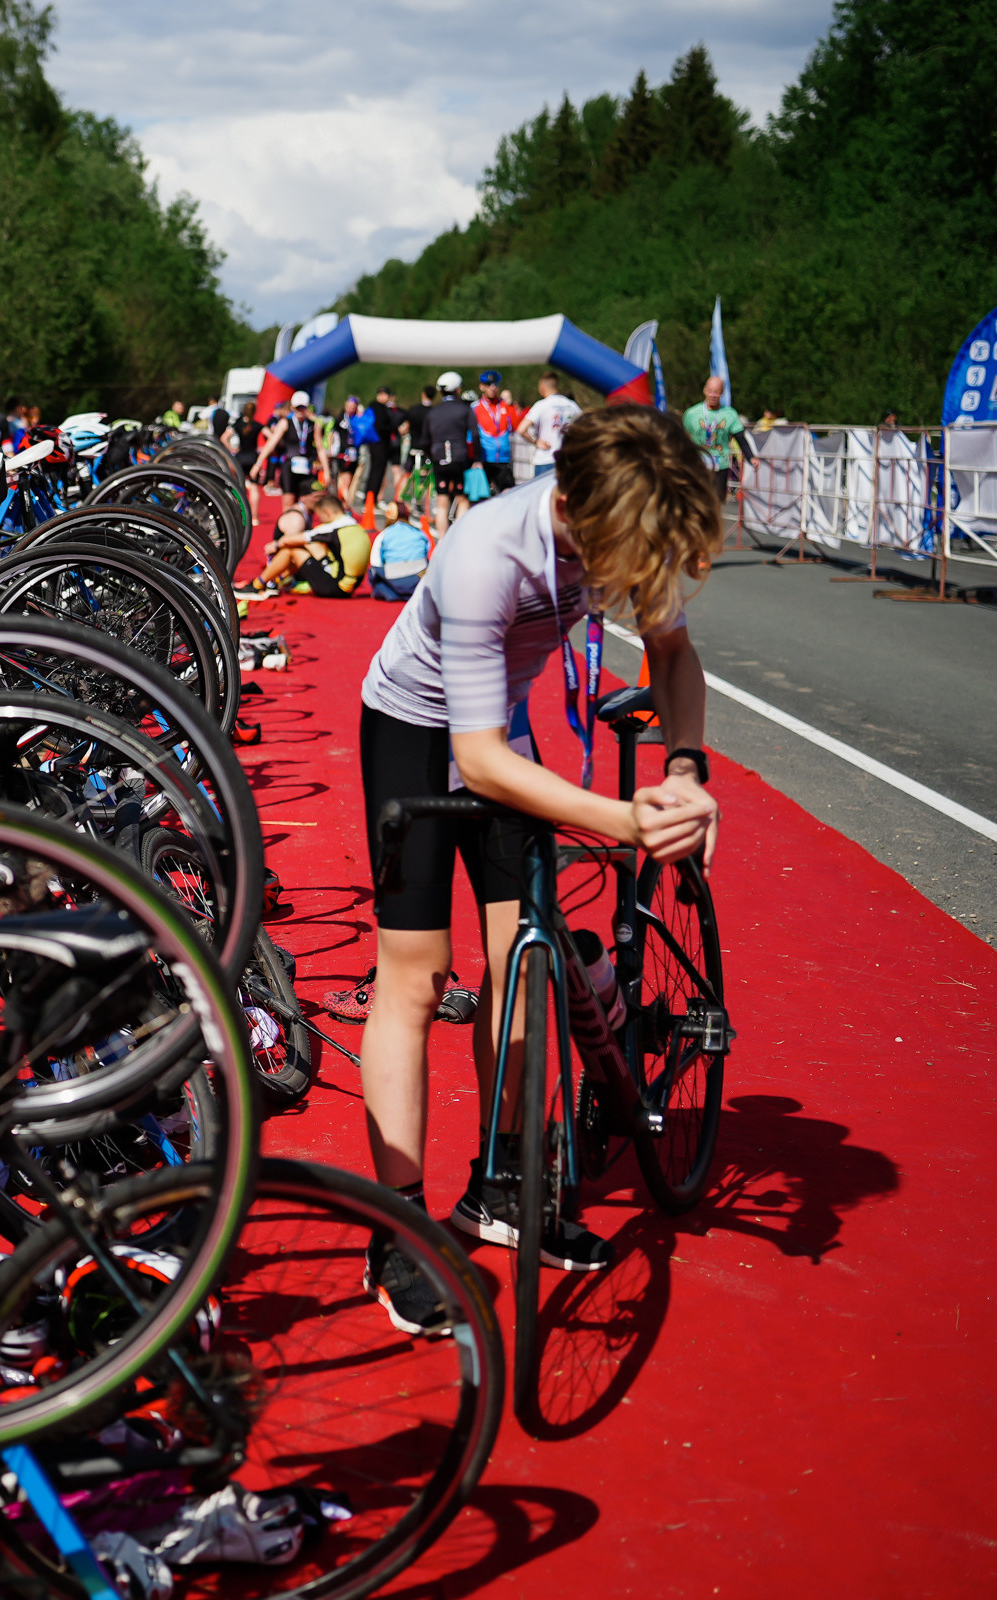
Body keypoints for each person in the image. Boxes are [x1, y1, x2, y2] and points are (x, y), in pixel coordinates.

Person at [353, 406, 721, 1332]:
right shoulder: (488, 553)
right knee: (418, 979)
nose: (636, 578)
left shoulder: (617, 523)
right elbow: (475, 763)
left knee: (527, 969)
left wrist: (683, 770)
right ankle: (395, 1230)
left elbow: (675, 655)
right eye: (631, 554)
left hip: (495, 729)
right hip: (414, 727)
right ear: (577, 508)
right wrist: (631, 823)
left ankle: (503, 1189)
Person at [241, 492, 372, 597]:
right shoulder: (355, 525)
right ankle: (275, 581)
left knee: (291, 550)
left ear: (327, 512)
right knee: (309, 546)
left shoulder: (333, 527)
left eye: (321, 516)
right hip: (350, 586)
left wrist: (276, 544)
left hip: (336, 587)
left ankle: (257, 585)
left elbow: (293, 539)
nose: (320, 520)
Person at [418, 372, 476, 537]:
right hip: (460, 458)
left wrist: (431, 456)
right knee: (462, 499)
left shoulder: (433, 412)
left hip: (439, 459)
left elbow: (425, 441)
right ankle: (458, 538)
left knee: (442, 503)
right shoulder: (465, 410)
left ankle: (442, 541)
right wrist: (476, 458)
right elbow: (475, 435)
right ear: (458, 390)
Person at [680, 375, 746, 500]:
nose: (713, 395)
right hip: (698, 463)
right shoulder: (691, 413)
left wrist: (751, 457)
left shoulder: (730, 414)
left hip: (720, 464)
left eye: (716, 392)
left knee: (717, 501)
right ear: (704, 390)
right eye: (710, 391)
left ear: (722, 393)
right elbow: (682, 438)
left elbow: (740, 437)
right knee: (696, 499)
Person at [252, 392, 322, 500]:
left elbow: (320, 448)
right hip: (289, 465)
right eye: (298, 408)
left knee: (307, 502)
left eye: (303, 407)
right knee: (288, 501)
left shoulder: (313, 425)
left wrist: (325, 469)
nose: (300, 411)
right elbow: (271, 444)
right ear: (292, 408)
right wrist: (258, 463)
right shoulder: (285, 423)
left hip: (306, 466)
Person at [518, 371, 583, 480]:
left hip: (545, 459)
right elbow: (588, 424)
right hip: (566, 460)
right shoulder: (571, 405)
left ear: (542, 387)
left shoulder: (541, 405)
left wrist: (536, 442)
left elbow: (521, 429)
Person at [366, 498, 431, 601]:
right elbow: (427, 555)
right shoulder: (419, 533)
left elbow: (375, 564)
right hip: (418, 579)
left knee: (375, 575)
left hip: (394, 579)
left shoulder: (384, 534)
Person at [473, 372, 523, 496]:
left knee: (509, 494)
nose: (493, 387)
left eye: (495, 384)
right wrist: (474, 459)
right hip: (485, 459)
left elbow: (517, 427)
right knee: (482, 497)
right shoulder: (475, 407)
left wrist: (511, 406)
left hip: (504, 459)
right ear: (482, 386)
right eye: (489, 384)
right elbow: (470, 435)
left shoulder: (505, 406)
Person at [369, 387, 408, 505]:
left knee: (380, 471)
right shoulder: (378, 408)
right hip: (379, 443)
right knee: (379, 471)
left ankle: (374, 498)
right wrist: (395, 428)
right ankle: (373, 498)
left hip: (381, 444)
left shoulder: (378, 407)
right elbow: (380, 426)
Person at [341, 396, 380, 506]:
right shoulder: (341, 418)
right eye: (348, 406)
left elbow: (368, 433)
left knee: (354, 479)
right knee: (345, 479)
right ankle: (345, 503)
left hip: (356, 453)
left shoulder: (359, 419)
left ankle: (347, 504)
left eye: (353, 407)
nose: (350, 409)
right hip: (343, 453)